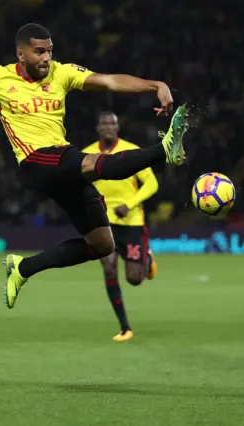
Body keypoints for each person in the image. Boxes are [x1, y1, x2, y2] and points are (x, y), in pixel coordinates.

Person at [0, 23, 189, 309]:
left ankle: (23, 268)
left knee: (102, 245)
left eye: (49, 51)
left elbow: (109, 81)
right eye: (39, 52)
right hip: (35, 161)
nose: (46, 58)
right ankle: (163, 151)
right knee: (88, 163)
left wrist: (156, 85)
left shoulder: (61, 72)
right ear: (21, 54)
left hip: (63, 163)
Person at [82, 112, 159, 342]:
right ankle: (125, 327)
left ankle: (146, 258)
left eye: (112, 124)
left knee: (134, 279)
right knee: (108, 267)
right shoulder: (87, 154)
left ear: (117, 127)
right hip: (103, 222)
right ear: (98, 128)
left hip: (131, 222)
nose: (107, 127)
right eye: (104, 123)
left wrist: (130, 204)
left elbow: (152, 183)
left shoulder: (130, 151)